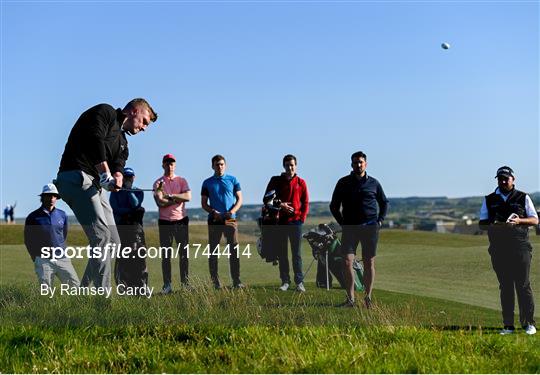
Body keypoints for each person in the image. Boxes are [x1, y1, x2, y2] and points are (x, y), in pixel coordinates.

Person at [55, 98, 158, 289]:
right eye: (144, 121)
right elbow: (95, 139)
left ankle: (83, 292)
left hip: (94, 185)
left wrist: (117, 178)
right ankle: (103, 298)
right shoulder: (106, 112)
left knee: (114, 242)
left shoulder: (124, 143)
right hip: (75, 176)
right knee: (101, 236)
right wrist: (105, 172)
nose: (144, 128)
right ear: (134, 111)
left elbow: (118, 165)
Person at [479, 166, 538, 335]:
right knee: (505, 286)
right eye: (500, 179)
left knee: (523, 285)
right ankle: (508, 325)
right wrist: (495, 224)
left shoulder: (523, 197)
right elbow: (481, 223)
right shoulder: (489, 199)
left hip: (520, 246)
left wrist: (519, 221)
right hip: (498, 248)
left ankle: (528, 324)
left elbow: (534, 220)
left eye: (506, 178)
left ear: (513, 179)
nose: (503, 181)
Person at [330, 151, 388, 308]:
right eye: (355, 162)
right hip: (350, 228)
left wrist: (380, 221)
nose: (358, 165)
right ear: (351, 164)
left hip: (370, 228)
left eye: (361, 162)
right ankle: (350, 299)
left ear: (366, 164)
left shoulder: (374, 183)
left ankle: (368, 298)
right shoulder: (343, 183)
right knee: (347, 261)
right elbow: (334, 206)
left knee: (369, 262)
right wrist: (343, 223)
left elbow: (384, 203)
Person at [263, 154, 309, 292]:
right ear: (284, 166)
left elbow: (305, 202)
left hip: (296, 223)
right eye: (287, 165)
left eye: (292, 165)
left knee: (297, 254)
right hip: (280, 221)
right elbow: (266, 199)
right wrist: (281, 205)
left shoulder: (301, 183)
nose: (290, 168)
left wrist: (302, 218)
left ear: (296, 166)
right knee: (282, 253)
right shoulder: (276, 181)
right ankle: (285, 281)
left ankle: (299, 282)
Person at [24, 183, 80, 288]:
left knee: (75, 286)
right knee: (46, 293)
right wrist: (35, 258)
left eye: (54, 196)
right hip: (43, 260)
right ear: (43, 197)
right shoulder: (33, 217)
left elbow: (63, 234)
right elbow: (28, 240)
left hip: (62, 258)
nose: (51, 198)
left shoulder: (62, 215)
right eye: (48, 195)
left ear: (57, 198)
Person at [201, 155, 244, 289]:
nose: (219, 167)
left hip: (230, 218)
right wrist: (213, 212)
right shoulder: (207, 182)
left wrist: (232, 211)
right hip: (214, 219)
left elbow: (239, 199)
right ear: (212, 166)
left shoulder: (233, 180)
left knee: (233, 250)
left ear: (225, 165)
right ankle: (215, 282)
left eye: (221, 164)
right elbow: (203, 203)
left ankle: (236, 281)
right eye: (217, 164)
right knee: (213, 252)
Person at [153, 154, 191, 294]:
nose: (170, 166)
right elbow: (159, 202)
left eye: (172, 164)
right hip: (165, 222)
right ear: (163, 165)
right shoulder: (158, 183)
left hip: (181, 220)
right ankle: (167, 285)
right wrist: (175, 200)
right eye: (167, 163)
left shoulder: (181, 180)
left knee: (183, 254)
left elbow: (188, 196)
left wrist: (171, 196)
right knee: (166, 255)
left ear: (175, 165)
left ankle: (185, 284)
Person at [109, 167, 148, 292]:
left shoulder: (138, 191)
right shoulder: (115, 192)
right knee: (123, 259)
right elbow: (115, 209)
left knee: (139, 258)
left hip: (136, 229)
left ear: (134, 178)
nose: (128, 179)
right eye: (125, 177)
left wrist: (128, 190)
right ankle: (124, 287)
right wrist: (129, 212)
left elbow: (136, 204)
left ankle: (141, 286)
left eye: (130, 177)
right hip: (121, 229)